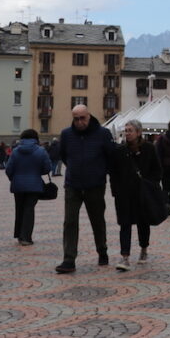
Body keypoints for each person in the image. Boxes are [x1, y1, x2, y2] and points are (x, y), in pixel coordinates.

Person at [55, 104, 115, 274]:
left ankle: (102, 251)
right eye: (76, 119)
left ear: (89, 116)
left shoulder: (103, 134)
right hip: (73, 184)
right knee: (70, 222)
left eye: (82, 118)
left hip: (95, 185)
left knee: (97, 221)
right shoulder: (67, 134)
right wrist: (74, 168)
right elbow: (64, 155)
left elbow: (110, 156)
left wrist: (100, 172)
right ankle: (69, 258)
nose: (79, 122)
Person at [111, 119, 162, 271]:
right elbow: (114, 172)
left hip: (143, 193)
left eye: (130, 130)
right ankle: (125, 257)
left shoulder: (149, 148)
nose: (127, 133)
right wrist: (116, 191)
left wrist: (150, 184)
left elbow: (157, 170)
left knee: (143, 222)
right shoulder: (120, 150)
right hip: (124, 194)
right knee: (125, 224)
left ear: (139, 132)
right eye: (126, 130)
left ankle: (144, 249)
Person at [5, 129, 52, 246]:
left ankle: (19, 235)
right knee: (29, 210)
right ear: (36, 138)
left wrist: (14, 178)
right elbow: (47, 168)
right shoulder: (41, 151)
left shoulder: (15, 151)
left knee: (19, 209)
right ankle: (26, 237)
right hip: (34, 185)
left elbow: (8, 169)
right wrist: (37, 173)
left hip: (18, 185)